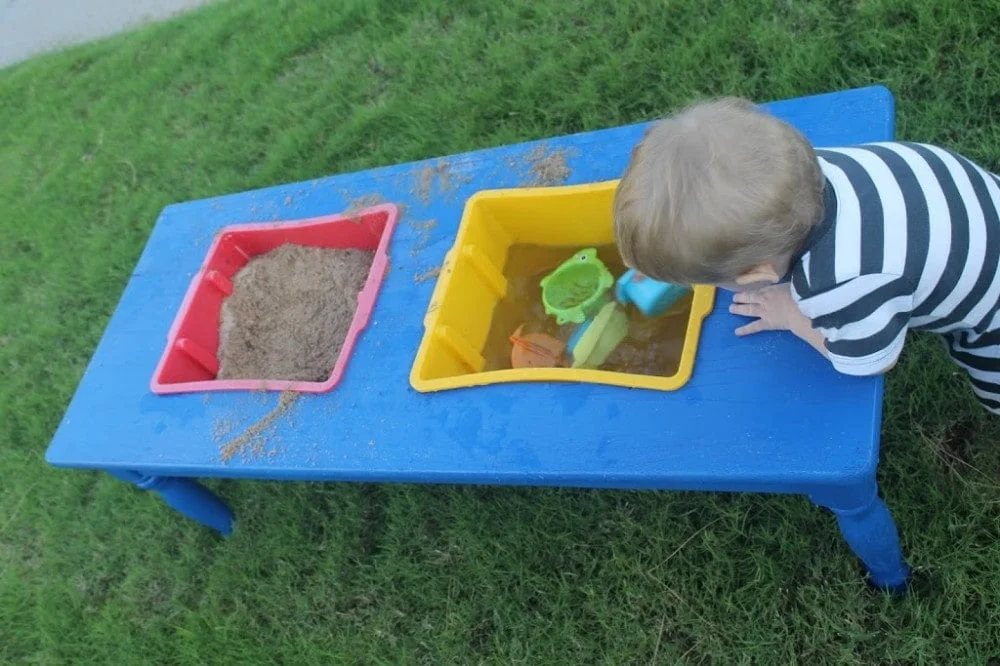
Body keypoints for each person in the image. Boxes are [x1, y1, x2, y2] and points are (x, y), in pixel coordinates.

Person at [613, 97, 1000, 411]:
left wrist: (791, 315)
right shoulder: (806, 174)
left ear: (754, 275)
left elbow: (871, 361)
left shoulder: (841, 285)